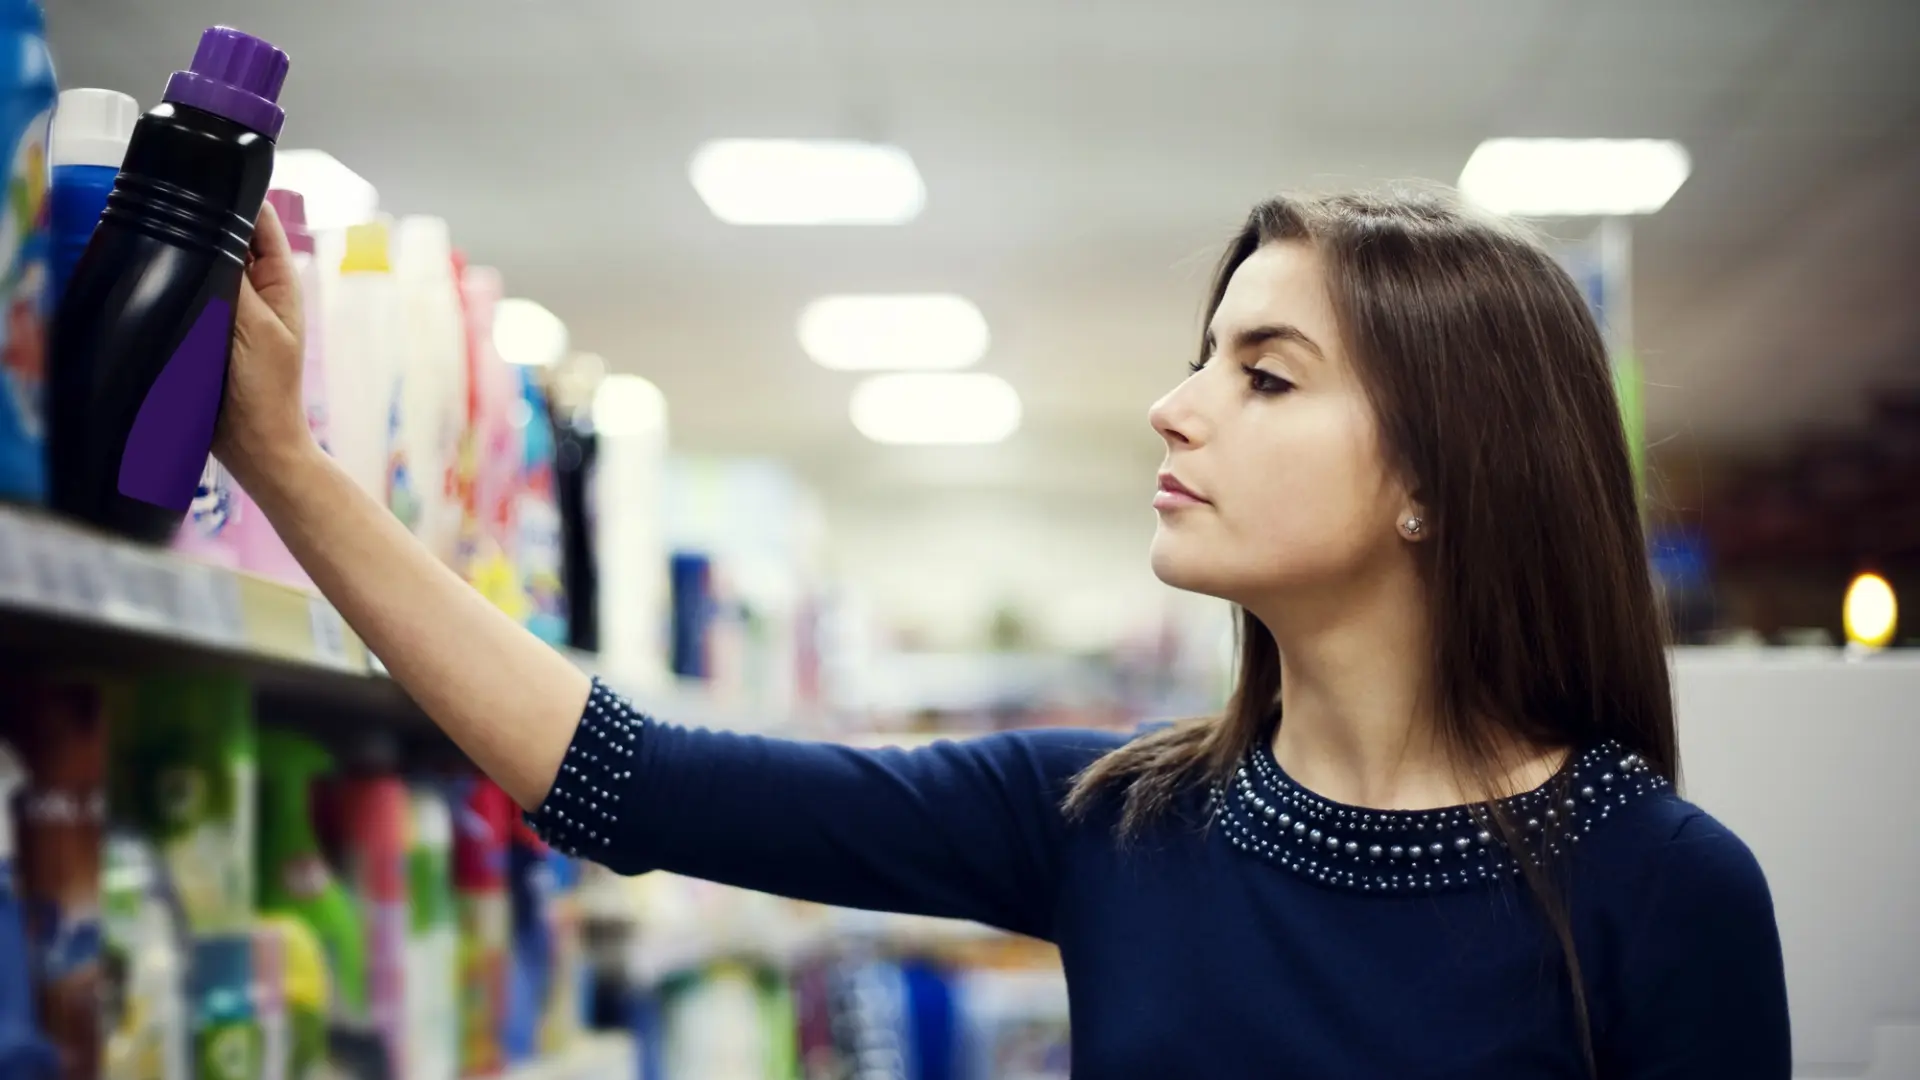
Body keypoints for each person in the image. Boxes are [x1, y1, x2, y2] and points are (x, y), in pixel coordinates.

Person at [220, 189, 1790, 1078]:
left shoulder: (1665, 890)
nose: (1175, 407)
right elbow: (624, 779)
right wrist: (287, 468)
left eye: (1267, 373)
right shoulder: (1108, 820)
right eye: (1204, 357)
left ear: (1440, 483)